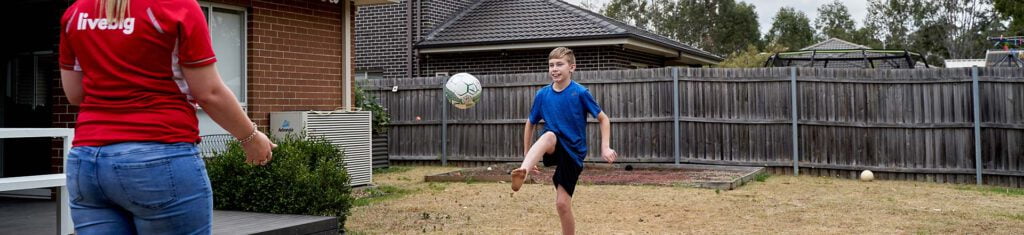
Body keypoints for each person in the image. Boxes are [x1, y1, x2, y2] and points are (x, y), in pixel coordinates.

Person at [58, 0, 275, 233]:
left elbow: (75, 94)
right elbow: (209, 93)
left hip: (87, 163)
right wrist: (251, 137)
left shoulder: (76, 13)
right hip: (159, 156)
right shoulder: (176, 6)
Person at [510, 47, 617, 235]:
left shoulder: (580, 93)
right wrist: (528, 154)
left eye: (559, 64)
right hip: (553, 145)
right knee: (549, 135)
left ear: (572, 67)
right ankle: (523, 170)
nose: (554, 69)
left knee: (562, 205)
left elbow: (603, 118)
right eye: (551, 65)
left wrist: (605, 147)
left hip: (573, 153)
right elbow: (530, 123)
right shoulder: (542, 95)